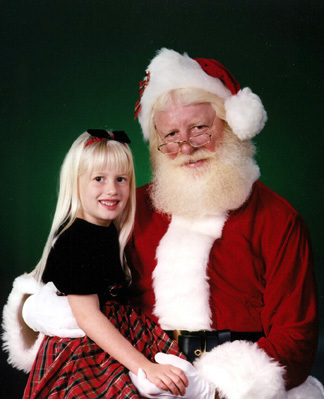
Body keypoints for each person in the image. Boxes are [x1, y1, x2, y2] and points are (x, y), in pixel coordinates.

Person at [5, 49, 324, 399]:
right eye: (170, 135)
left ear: (231, 125)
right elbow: (85, 282)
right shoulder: (131, 207)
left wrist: (213, 390)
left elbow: (296, 340)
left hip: (229, 381)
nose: (185, 146)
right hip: (139, 368)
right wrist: (38, 308)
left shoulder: (279, 220)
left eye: (200, 129)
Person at [3, 129, 190, 399]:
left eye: (121, 179)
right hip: (86, 349)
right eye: (99, 179)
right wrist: (144, 366)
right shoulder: (76, 239)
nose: (112, 190)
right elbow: (88, 317)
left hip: (115, 334)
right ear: (75, 182)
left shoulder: (104, 229)